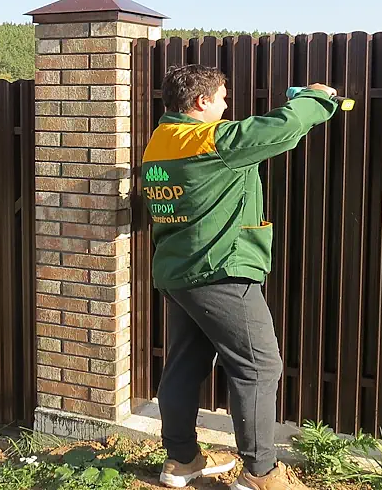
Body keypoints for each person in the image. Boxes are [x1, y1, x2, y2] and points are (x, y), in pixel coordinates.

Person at [140, 63, 339, 490]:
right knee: (259, 366)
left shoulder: (160, 140)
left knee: (184, 365)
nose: (227, 107)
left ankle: (181, 460)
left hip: (178, 272)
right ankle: (260, 474)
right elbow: (281, 128)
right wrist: (318, 98)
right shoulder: (212, 141)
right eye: (222, 99)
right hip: (220, 272)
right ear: (201, 101)